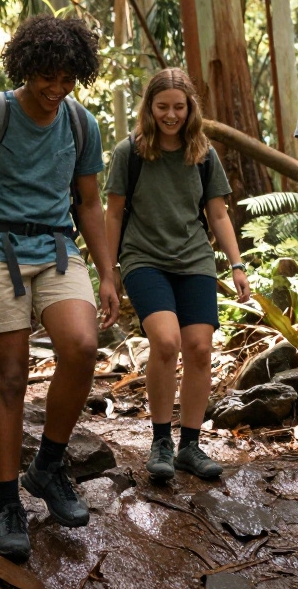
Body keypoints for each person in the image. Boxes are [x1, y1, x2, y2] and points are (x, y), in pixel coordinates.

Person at [0, 15, 120, 563]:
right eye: (47, 77)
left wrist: (108, 273)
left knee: (82, 346)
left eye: (67, 78)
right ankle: (8, 502)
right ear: (26, 68)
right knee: (10, 376)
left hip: (57, 247)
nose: (56, 88)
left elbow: (89, 202)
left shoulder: (81, 123)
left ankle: (49, 466)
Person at [103, 68, 250, 483]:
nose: (171, 115)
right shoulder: (130, 152)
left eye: (179, 107)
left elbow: (217, 214)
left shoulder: (203, 153)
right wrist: (108, 272)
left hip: (194, 259)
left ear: (190, 109)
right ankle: (161, 441)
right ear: (149, 107)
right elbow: (113, 214)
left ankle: (190, 445)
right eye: (162, 106)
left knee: (200, 348)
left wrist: (237, 265)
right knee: (166, 342)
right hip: (143, 257)